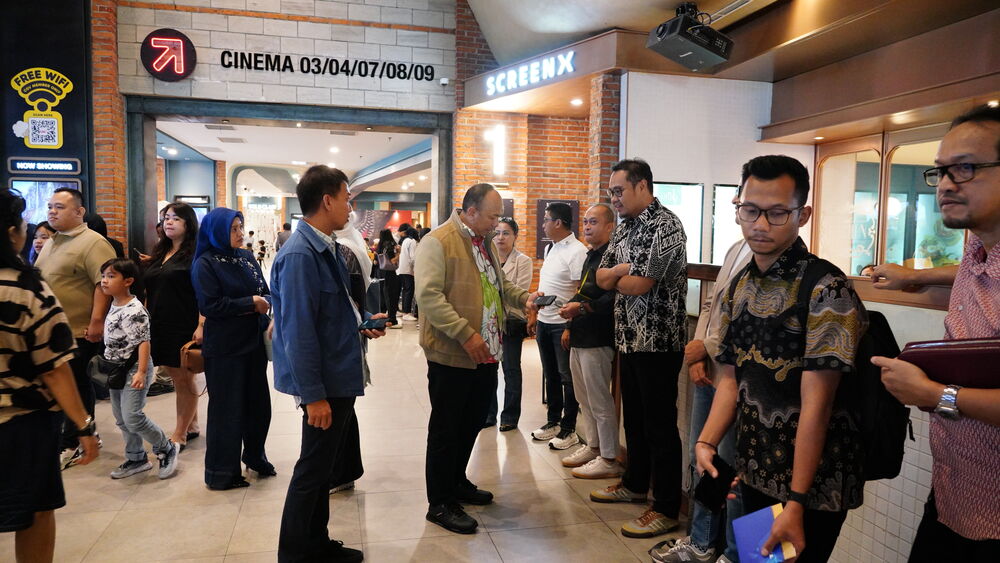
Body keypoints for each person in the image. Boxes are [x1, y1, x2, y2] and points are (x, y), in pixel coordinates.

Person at [696, 155, 867, 562]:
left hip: (813, 486)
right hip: (755, 468)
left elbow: (818, 405)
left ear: (801, 215)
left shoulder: (827, 289)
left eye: (776, 213)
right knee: (757, 560)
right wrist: (706, 441)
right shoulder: (740, 285)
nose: (760, 224)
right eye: (750, 210)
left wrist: (796, 502)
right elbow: (731, 378)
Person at [871, 105, 1000, 561]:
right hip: (955, 489)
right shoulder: (978, 246)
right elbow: (972, 271)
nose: (945, 184)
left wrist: (934, 394)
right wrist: (914, 276)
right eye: (941, 170)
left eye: (965, 168)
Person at [272, 165, 388, 563]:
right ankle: (295, 553)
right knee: (312, 469)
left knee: (322, 468)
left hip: (338, 373)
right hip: (324, 383)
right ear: (327, 201)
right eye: (346, 199)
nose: (350, 208)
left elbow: (335, 310)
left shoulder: (327, 247)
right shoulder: (300, 255)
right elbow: (298, 332)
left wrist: (364, 322)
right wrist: (313, 395)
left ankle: (315, 543)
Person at [415, 183, 539, 534]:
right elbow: (429, 296)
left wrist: (525, 299)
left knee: (471, 421)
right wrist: (465, 333)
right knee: (446, 427)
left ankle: (456, 481)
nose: (497, 225)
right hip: (453, 353)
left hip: (486, 352)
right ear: (470, 211)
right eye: (492, 217)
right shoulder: (438, 241)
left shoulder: (483, 242)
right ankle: (439, 502)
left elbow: (498, 286)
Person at [0, 188, 98, 563]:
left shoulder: (88, 244)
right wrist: (83, 426)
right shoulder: (25, 288)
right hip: (21, 420)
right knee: (36, 509)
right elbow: (55, 368)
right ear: (12, 232)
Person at [593, 159, 687, 539]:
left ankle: (665, 506)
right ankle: (634, 484)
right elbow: (601, 277)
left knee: (659, 425)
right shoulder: (625, 227)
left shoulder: (665, 226)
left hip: (658, 342)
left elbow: (640, 285)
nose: (614, 198)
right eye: (611, 192)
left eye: (619, 191)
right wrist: (620, 271)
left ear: (643, 186)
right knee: (633, 418)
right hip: (629, 339)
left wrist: (619, 277)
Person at [653, 203, 751, 562]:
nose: (754, 220)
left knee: (738, 473)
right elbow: (712, 304)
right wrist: (698, 352)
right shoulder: (736, 249)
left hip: (745, 385)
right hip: (714, 372)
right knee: (704, 460)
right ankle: (701, 541)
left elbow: (745, 322)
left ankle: (734, 554)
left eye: (772, 211)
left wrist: (705, 347)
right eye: (746, 207)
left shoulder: (794, 270)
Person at [35, 187, 117, 469]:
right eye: (50, 207)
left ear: (79, 211)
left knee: (76, 386)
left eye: (59, 207)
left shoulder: (93, 242)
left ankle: (72, 442)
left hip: (78, 330)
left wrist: (96, 322)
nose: (52, 212)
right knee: (61, 386)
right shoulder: (52, 241)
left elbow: (103, 284)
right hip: (51, 331)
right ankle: (82, 434)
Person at [192, 208, 274, 490]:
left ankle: (255, 456)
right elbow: (210, 305)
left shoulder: (246, 257)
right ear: (217, 231)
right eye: (233, 229)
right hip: (225, 347)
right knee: (227, 410)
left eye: (241, 227)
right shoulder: (205, 263)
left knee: (258, 406)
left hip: (253, 343)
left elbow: (264, 289)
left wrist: (264, 302)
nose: (240, 233)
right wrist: (250, 303)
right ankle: (221, 472)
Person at [558, 203, 624, 478]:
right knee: (583, 397)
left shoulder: (614, 256)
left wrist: (582, 309)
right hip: (580, 334)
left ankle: (609, 459)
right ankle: (594, 447)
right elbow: (583, 291)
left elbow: (614, 298)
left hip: (599, 336)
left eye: (593, 222)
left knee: (599, 400)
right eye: (585, 221)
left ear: (610, 226)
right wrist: (569, 322)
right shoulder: (591, 255)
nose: (587, 226)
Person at [99, 258, 179, 480]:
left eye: (111, 276)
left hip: (134, 369)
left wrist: (141, 372)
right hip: (116, 369)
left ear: (128, 281)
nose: (104, 281)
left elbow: (144, 342)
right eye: (103, 276)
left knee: (132, 416)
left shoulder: (134, 310)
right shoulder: (114, 303)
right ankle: (136, 458)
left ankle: (166, 447)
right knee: (121, 418)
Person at [142, 202, 203, 449]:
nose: (169, 222)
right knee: (178, 378)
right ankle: (192, 425)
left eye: (176, 218)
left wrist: (201, 324)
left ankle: (180, 433)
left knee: (183, 379)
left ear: (188, 224)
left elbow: (203, 293)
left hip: (183, 324)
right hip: (159, 323)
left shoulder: (196, 254)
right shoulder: (160, 252)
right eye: (166, 217)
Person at [530, 202, 588, 450]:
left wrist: (569, 327)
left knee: (567, 377)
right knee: (550, 374)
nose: (542, 224)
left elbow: (580, 291)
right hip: (544, 321)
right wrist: (534, 314)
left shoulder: (577, 251)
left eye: (546, 219)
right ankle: (553, 421)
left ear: (558, 222)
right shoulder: (551, 247)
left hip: (562, 324)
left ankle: (569, 428)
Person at [484, 217, 533, 431]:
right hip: (490, 322)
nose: (500, 237)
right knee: (489, 369)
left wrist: (493, 294)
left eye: (506, 233)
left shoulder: (523, 261)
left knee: (511, 369)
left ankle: (510, 416)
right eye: (497, 233)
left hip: (511, 321)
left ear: (515, 236)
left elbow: (518, 291)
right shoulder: (487, 258)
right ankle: (489, 414)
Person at [376, 229, 401, 328]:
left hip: (382, 272)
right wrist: (398, 253)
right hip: (390, 272)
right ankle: (392, 319)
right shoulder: (389, 245)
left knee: (384, 295)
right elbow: (393, 261)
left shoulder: (380, 246)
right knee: (391, 295)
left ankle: (383, 316)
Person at [398, 226, 419, 322]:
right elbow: (413, 257)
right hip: (408, 270)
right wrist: (415, 269)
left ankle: (404, 312)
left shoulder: (405, 241)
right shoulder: (412, 241)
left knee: (405, 290)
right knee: (409, 291)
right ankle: (407, 313)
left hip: (402, 269)